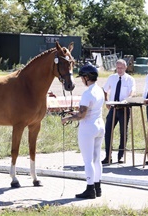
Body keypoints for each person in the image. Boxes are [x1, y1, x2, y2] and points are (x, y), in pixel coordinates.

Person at [61, 63, 105, 199]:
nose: (81, 80)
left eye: (82, 77)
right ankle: (98, 187)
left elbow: (82, 115)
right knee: (97, 159)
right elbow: (87, 110)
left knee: (88, 160)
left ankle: (90, 188)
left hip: (88, 128)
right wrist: (75, 112)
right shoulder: (100, 90)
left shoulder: (88, 93)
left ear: (87, 77)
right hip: (99, 125)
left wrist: (67, 118)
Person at [102, 59, 136, 164]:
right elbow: (104, 89)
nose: (119, 70)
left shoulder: (130, 79)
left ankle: (121, 155)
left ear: (125, 68)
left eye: (121, 68)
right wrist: (106, 101)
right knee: (108, 131)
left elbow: (133, 92)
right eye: (118, 68)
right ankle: (108, 156)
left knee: (123, 132)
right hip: (113, 107)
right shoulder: (112, 78)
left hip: (124, 108)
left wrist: (127, 99)